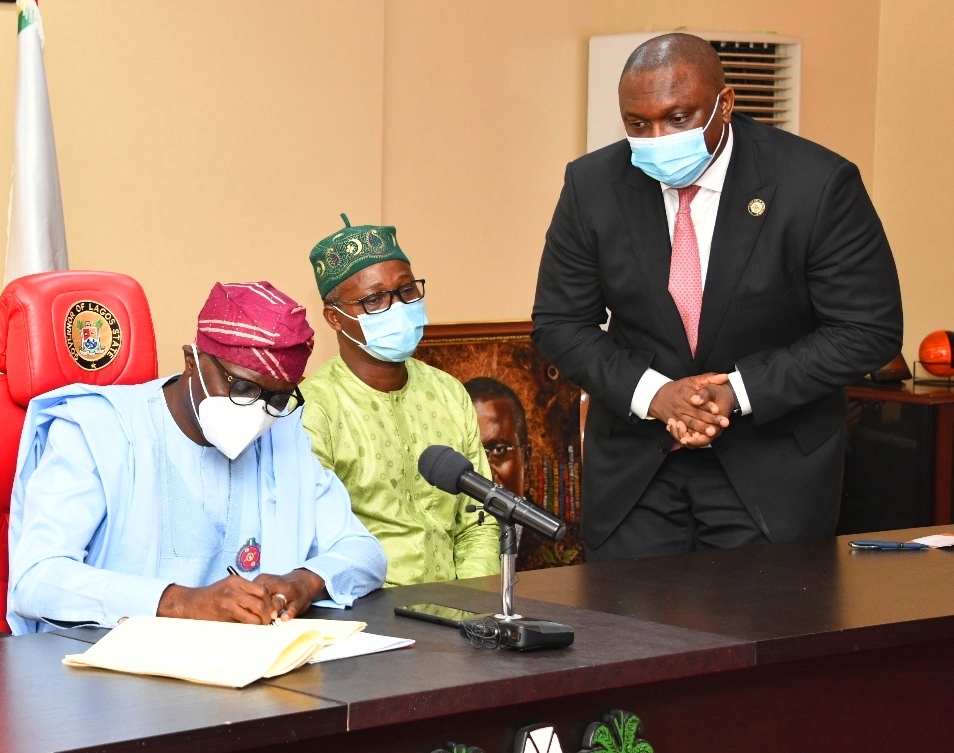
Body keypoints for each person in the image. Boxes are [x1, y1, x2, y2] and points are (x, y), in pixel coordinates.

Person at [532, 33, 903, 560]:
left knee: (761, 634)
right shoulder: (592, 185)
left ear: (725, 104)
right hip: (638, 471)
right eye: (639, 124)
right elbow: (559, 322)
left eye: (678, 118)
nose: (657, 137)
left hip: (770, 471)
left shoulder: (815, 184)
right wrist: (656, 395)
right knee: (630, 637)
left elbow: (867, 330)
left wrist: (737, 390)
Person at [7, 282, 387, 635]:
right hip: (113, 678)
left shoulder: (282, 433)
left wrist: (305, 582)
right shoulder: (98, 428)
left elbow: (365, 553)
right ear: (192, 360)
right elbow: (36, 580)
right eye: (240, 387)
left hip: (245, 676)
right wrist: (181, 603)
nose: (258, 412)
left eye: (276, 399)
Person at [301, 214, 499, 587]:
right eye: (375, 299)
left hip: (460, 606)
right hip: (366, 612)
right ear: (335, 318)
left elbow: (479, 519)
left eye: (407, 291)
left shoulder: (447, 392)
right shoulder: (314, 409)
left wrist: (472, 605)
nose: (397, 306)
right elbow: (318, 542)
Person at [464, 377, 532, 497]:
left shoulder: (543, 517)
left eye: (498, 450)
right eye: (468, 452)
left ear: (525, 458)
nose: (484, 473)